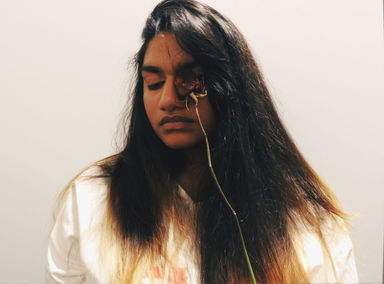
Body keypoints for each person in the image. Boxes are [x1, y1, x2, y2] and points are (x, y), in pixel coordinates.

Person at [45, 0, 359, 283]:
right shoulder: (90, 202)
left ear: (230, 87)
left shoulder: (306, 221)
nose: (168, 99)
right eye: (153, 83)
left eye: (189, 80)